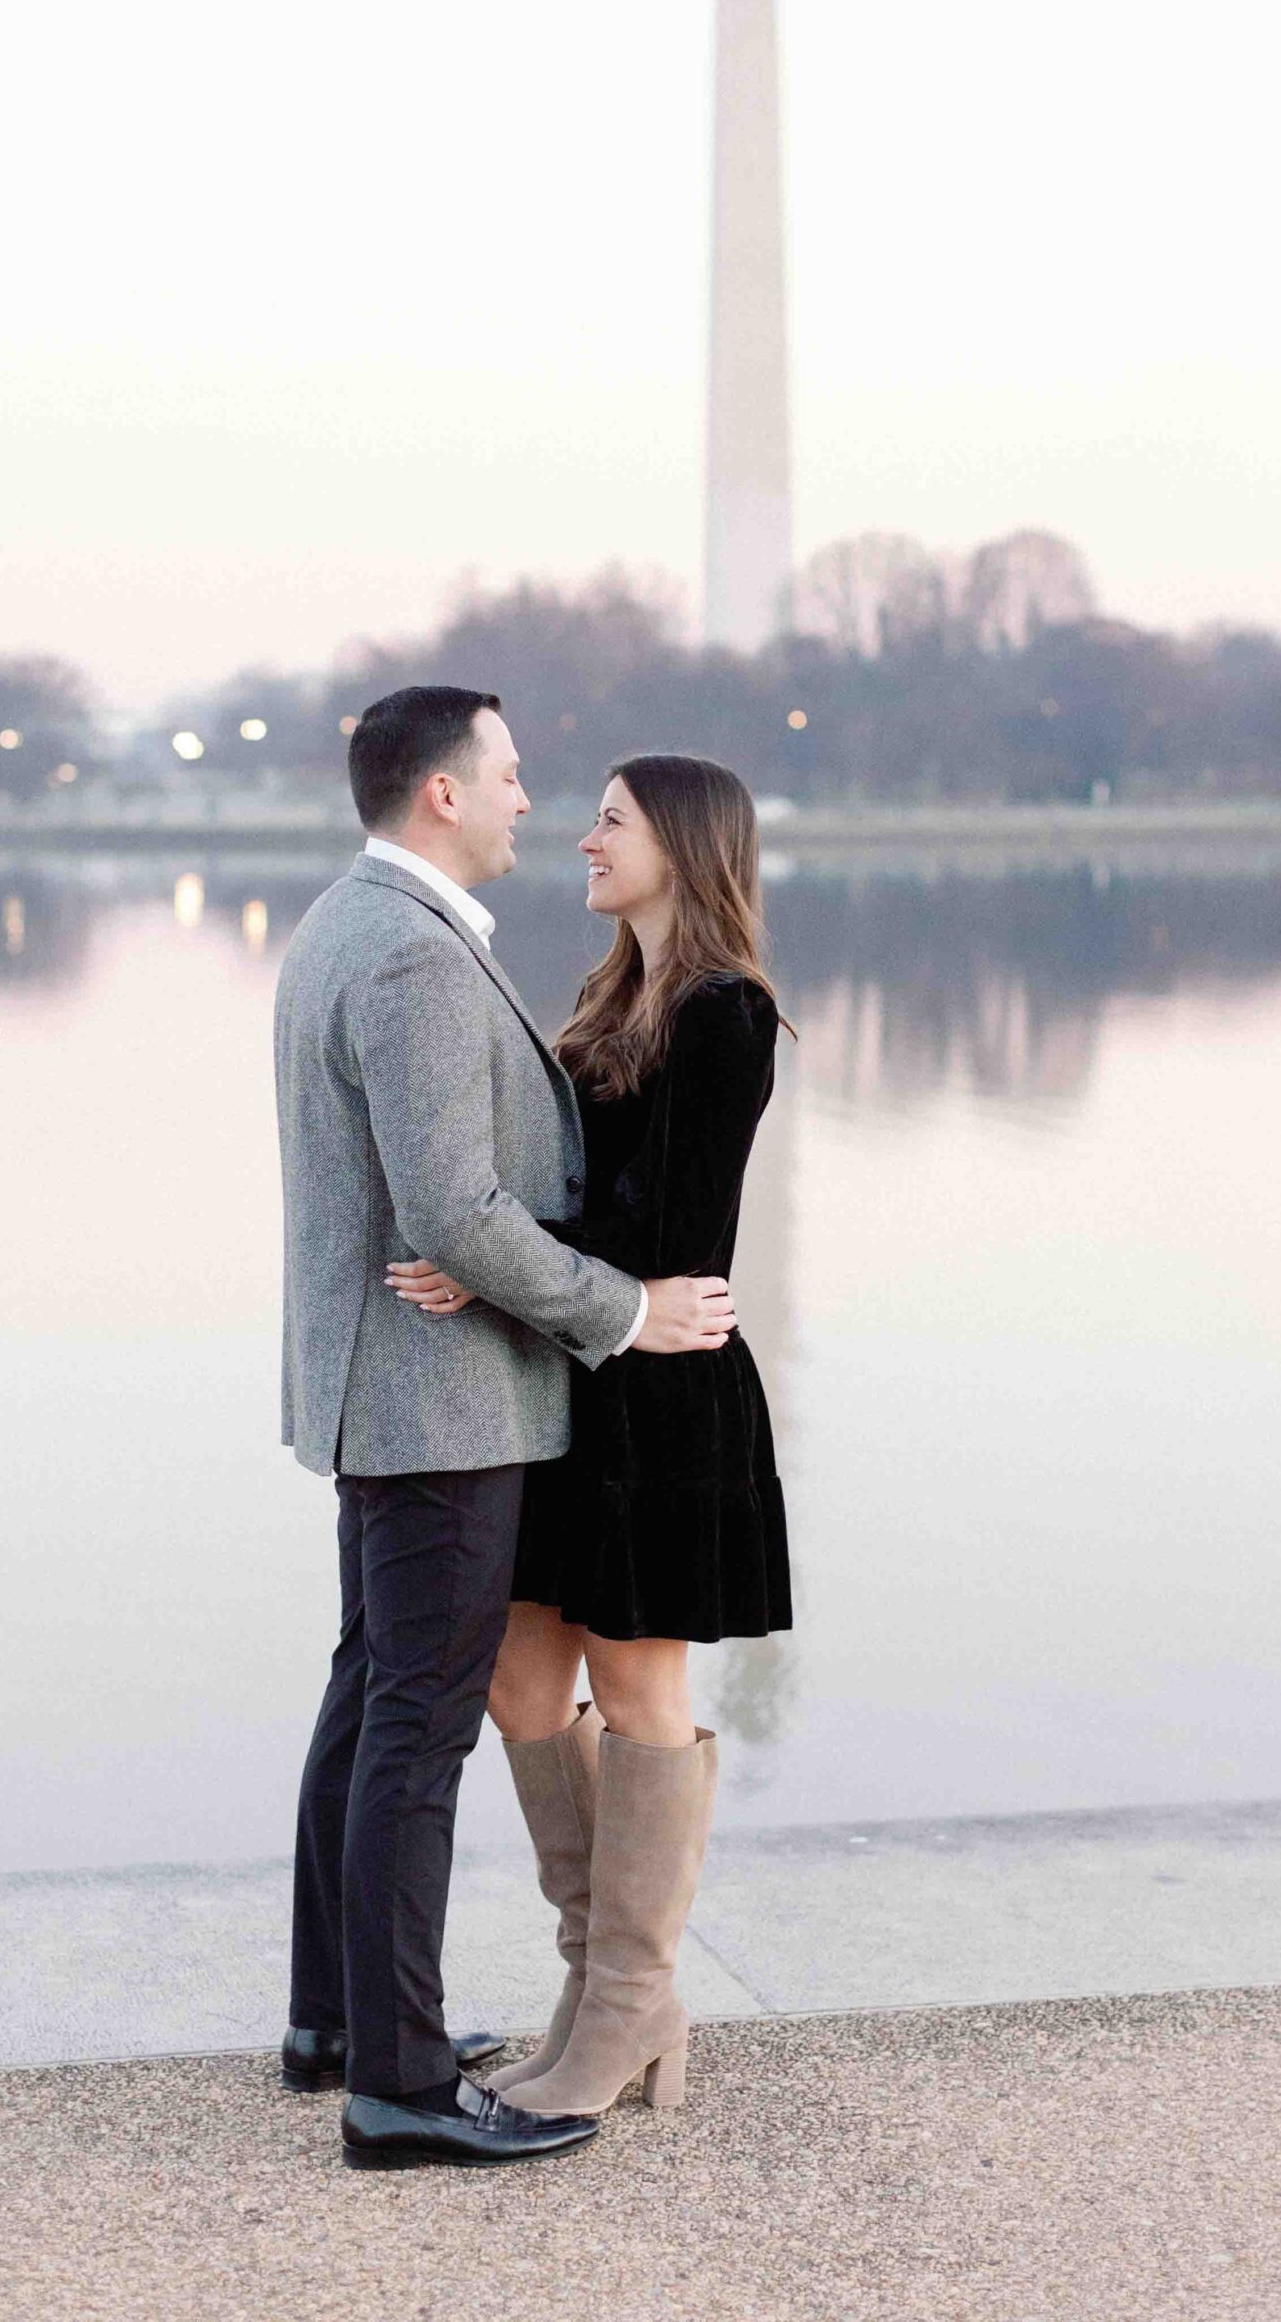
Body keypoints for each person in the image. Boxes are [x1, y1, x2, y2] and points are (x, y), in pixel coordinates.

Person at [273, 688, 740, 2172]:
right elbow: (455, 1209)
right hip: (443, 1392)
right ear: (441, 797)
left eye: (587, 799)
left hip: (465, 1385)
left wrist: (501, 1252)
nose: (539, 804)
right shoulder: (410, 954)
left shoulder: (353, 927)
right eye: (517, 777)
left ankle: (357, 2025)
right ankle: (396, 2079)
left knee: (381, 1699)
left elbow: (510, 1210)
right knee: (414, 1716)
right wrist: (581, 1294)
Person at [388, 752, 792, 2116]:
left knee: (637, 1697)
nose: (582, 839)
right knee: (519, 1680)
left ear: (682, 841)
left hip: (665, 1393)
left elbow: (665, 1236)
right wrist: (506, 1251)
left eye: (610, 821)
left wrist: (492, 1256)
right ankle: (598, 1984)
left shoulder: (726, 1013)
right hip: (570, 1376)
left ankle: (628, 2006)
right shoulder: (603, 994)